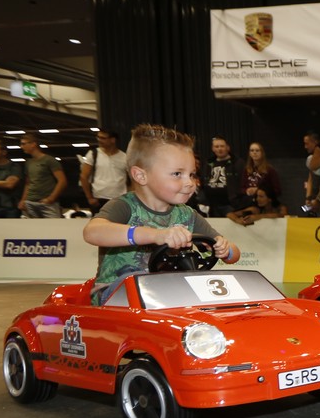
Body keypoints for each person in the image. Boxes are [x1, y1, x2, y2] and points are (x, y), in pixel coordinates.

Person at [83, 124, 240, 305]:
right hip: (115, 295)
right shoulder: (124, 206)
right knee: (144, 283)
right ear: (141, 176)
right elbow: (92, 232)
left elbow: (233, 254)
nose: (190, 183)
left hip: (167, 292)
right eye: (177, 174)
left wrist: (225, 250)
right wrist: (156, 235)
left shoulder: (188, 215)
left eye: (192, 174)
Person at [17, 133, 67, 218]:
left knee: (53, 225)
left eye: (23, 144)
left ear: (33, 144)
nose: (21, 146)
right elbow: (28, 183)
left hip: (46, 203)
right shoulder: (29, 162)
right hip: (30, 202)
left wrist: (51, 198)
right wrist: (23, 200)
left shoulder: (49, 160)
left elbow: (62, 181)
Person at [78, 128, 128, 213]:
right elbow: (83, 176)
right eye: (98, 137)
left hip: (119, 198)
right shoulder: (93, 154)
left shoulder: (124, 157)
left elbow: (131, 180)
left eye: (103, 138)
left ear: (113, 140)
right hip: (98, 199)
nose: (99, 140)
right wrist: (89, 198)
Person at [235, 141, 282, 212]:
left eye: (257, 150)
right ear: (249, 153)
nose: (254, 153)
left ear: (262, 153)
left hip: (264, 202)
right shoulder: (246, 170)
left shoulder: (270, 170)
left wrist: (258, 191)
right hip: (248, 200)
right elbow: (242, 188)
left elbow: (277, 190)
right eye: (252, 150)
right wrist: (247, 191)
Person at [201, 136, 237, 217]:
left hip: (230, 204)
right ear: (213, 148)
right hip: (211, 205)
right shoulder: (208, 163)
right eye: (216, 146)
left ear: (228, 147)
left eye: (222, 146)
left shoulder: (236, 162)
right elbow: (203, 181)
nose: (219, 149)